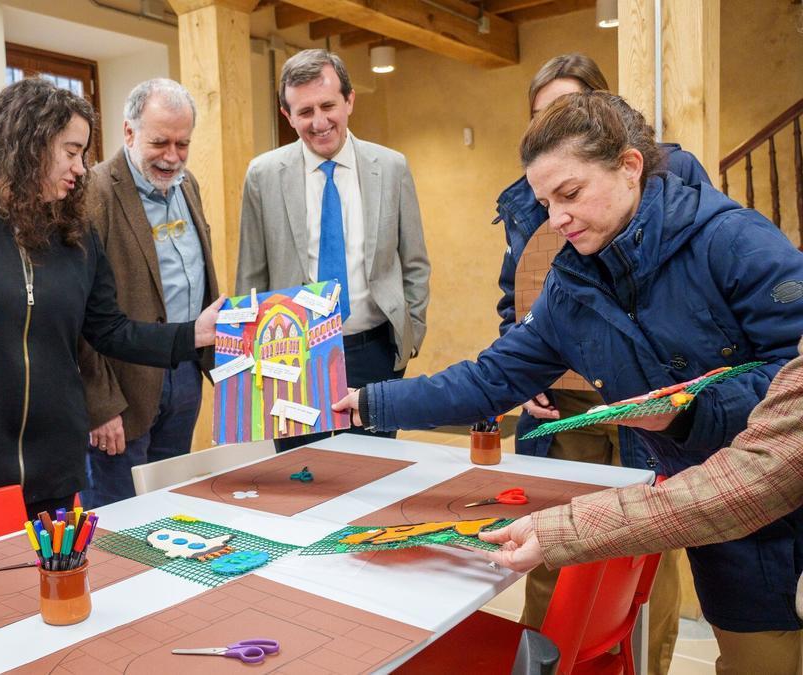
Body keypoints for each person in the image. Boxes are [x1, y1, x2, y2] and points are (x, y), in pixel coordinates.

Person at [336, 91, 803, 672]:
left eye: (571, 194)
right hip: (721, 512)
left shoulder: (734, 242)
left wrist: (687, 411)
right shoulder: (570, 285)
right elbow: (491, 377)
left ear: (630, 167)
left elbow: (794, 372)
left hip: (775, 476)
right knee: (756, 656)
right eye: (544, 201)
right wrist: (371, 401)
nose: (556, 218)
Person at [0, 78, 223, 519]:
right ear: (29, 142)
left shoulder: (73, 230)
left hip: (53, 466)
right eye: (70, 152)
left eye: (83, 154)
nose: (80, 168)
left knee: (55, 585)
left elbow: (109, 329)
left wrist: (192, 336)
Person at [492, 53, 709, 672]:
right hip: (569, 406)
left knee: (646, 547)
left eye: (566, 110)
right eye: (541, 116)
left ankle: (644, 664)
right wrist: (525, 364)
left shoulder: (673, 190)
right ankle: (545, 662)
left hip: (645, 402)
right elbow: (519, 295)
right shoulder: (525, 201)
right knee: (550, 539)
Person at [482, 334, 803, 675]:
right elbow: (758, 474)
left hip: (661, 407)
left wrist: (687, 415)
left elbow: (753, 480)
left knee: (648, 576)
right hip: (573, 402)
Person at [236, 48, 429, 452]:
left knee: (374, 475)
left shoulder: (391, 167)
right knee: (300, 476)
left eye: (328, 105)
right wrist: (252, 356)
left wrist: (411, 334)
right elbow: (250, 275)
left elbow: (414, 262)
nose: (319, 122)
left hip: (374, 351)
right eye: (305, 111)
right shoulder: (263, 175)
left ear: (350, 100)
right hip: (292, 356)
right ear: (287, 115)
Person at [77, 79, 219, 508]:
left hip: (184, 373)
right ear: (129, 132)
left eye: (182, 143)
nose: (172, 156)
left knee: (170, 508)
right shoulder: (94, 192)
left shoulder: (187, 185)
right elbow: (78, 313)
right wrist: (99, 404)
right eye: (160, 142)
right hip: (123, 387)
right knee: (120, 520)